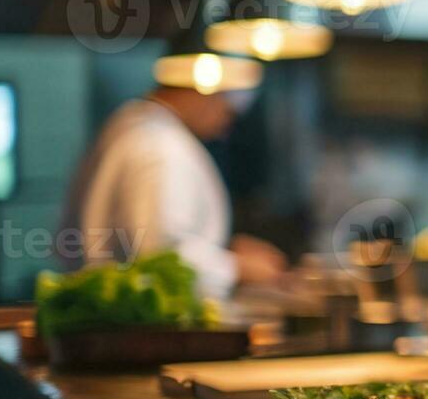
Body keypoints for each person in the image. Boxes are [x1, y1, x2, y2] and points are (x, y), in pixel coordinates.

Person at [63, 81, 287, 298]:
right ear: (203, 90)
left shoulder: (134, 126)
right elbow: (160, 255)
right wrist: (236, 267)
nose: (224, 127)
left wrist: (223, 252)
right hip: (146, 329)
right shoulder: (161, 147)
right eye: (228, 112)